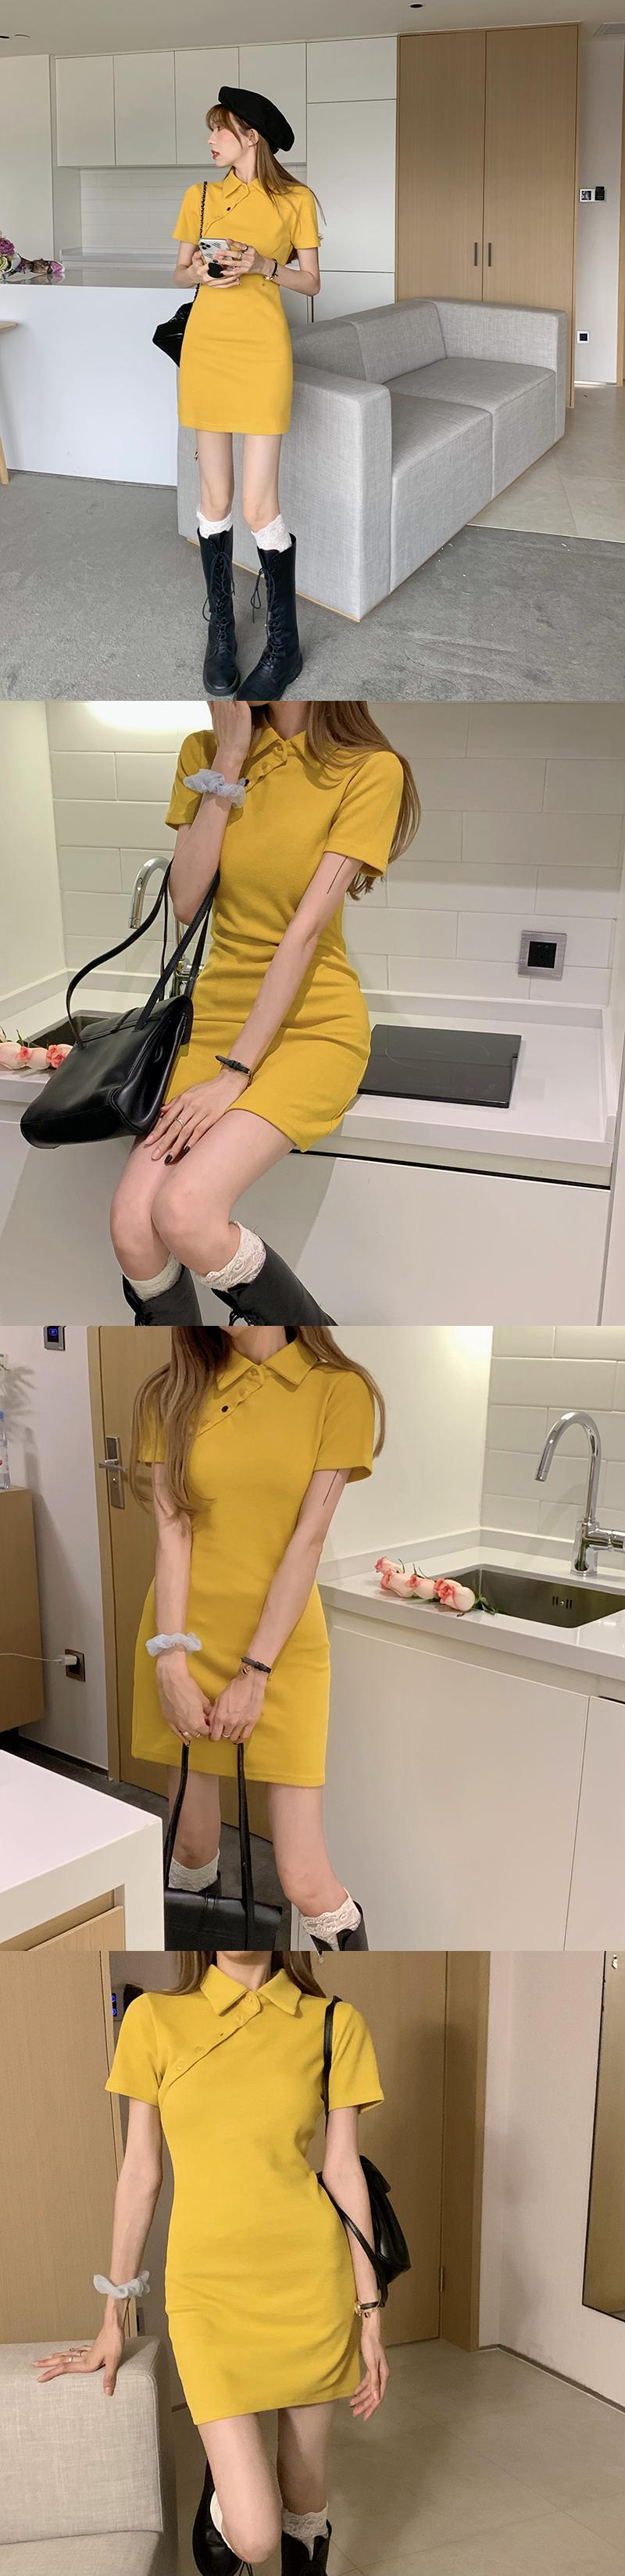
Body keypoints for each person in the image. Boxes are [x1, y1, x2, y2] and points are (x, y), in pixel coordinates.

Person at [37, 1950, 390, 2576]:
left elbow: (342, 2172)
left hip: (310, 2284)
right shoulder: (154, 2018)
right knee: (254, 2536)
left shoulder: (335, 2022)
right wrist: (112, 2317)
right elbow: (141, 2172)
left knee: (305, 2505)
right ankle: (222, 2497)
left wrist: (370, 2310)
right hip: (208, 2292)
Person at [110, 698, 420, 1329]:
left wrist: (235, 1072)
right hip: (217, 1015)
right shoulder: (204, 751)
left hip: (311, 1024)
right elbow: (187, 901)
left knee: (185, 1212)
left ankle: (316, 1350)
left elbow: (304, 935)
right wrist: (230, 754)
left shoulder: (368, 768)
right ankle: (193, 1364)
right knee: (132, 1232)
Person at [130, 1321, 386, 1953]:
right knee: (189, 1847)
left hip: (282, 1649)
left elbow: (309, 1540)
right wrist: (170, 1659)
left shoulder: (339, 1389)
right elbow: (173, 1532)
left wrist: (256, 1671)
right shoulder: (170, 1392)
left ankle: (350, 1991)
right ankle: (205, 1986)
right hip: (182, 1639)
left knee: (303, 1877)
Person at [173, 88, 321, 696]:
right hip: (207, 352)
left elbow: (311, 282)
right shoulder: (200, 197)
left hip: (263, 355)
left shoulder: (296, 199)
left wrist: (263, 266)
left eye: (221, 129)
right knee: (215, 499)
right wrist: (201, 271)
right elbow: (179, 272)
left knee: (260, 507)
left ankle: (285, 648)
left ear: (251, 136)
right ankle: (222, 633)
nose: (211, 140)